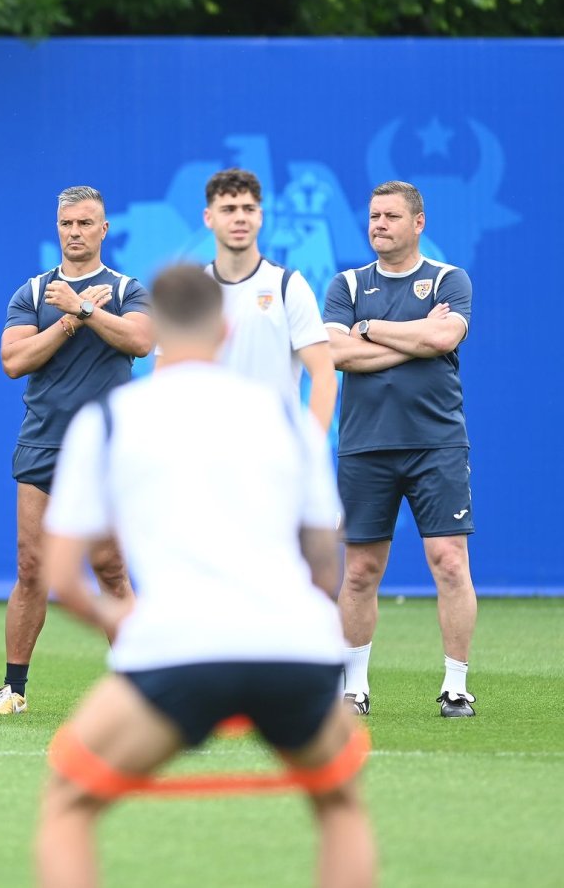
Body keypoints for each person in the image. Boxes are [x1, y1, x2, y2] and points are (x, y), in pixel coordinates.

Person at [36, 266, 374, 888]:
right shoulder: (286, 417)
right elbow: (326, 566)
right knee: (340, 803)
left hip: (177, 645)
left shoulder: (109, 419)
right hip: (293, 644)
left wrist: (123, 619)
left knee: (68, 802)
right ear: (227, 329)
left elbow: (63, 577)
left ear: (159, 332)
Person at [0, 186, 154, 716]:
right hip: (42, 442)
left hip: (105, 450)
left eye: (85, 223)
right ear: (57, 228)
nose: (75, 232)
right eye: (67, 223)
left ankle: (139, 686)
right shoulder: (35, 292)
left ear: (104, 229)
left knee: (111, 568)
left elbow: (141, 342)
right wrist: (68, 320)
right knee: (31, 566)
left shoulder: (126, 289)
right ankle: (13, 689)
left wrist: (83, 307)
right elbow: (14, 361)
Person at [323, 181, 477, 718]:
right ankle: (354, 689)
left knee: (449, 561)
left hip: (437, 443)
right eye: (373, 216)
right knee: (361, 570)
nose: (379, 225)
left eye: (390, 216)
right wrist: (413, 340)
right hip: (365, 447)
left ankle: (455, 688)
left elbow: (444, 340)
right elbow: (336, 354)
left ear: (418, 222)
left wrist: (369, 329)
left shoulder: (448, 278)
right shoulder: (346, 283)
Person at [199, 167, 337, 430]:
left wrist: (311, 445)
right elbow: (166, 378)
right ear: (209, 217)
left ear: (260, 216)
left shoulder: (288, 286)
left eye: (248, 209)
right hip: (209, 449)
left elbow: (323, 375)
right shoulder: (193, 292)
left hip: (276, 449)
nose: (240, 218)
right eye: (228, 209)